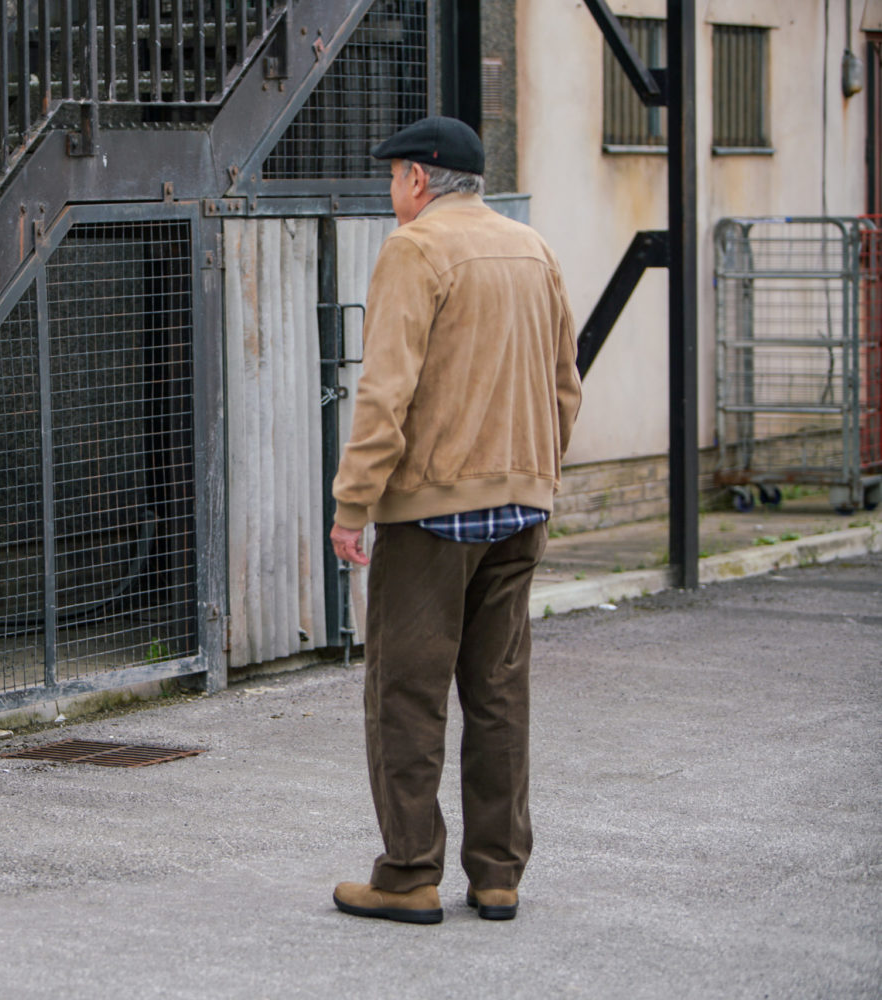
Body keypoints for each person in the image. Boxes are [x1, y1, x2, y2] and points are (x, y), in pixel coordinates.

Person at [328, 117, 581, 923]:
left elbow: (384, 392)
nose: (391, 191)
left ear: (416, 179)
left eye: (393, 176)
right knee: (499, 691)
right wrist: (537, 469)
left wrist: (353, 503)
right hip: (521, 506)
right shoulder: (533, 249)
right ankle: (498, 875)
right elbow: (565, 383)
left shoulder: (415, 250)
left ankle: (409, 875)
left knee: (406, 693)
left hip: (435, 515)